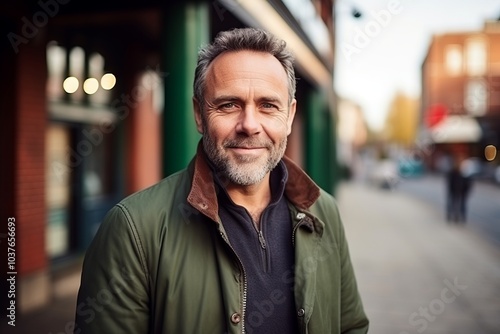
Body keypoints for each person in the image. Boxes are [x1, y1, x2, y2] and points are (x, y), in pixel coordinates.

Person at [74, 27, 369, 334]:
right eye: (229, 105)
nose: (249, 125)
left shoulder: (325, 213)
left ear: (290, 116)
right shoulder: (132, 229)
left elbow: (350, 326)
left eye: (268, 105)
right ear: (199, 114)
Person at [446, 153, 472, 223]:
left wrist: (467, 190)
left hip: (462, 191)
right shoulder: (454, 171)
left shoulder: (465, 171)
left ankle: (460, 217)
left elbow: (468, 183)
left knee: (460, 204)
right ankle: (453, 216)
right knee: (454, 203)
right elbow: (450, 181)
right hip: (454, 190)